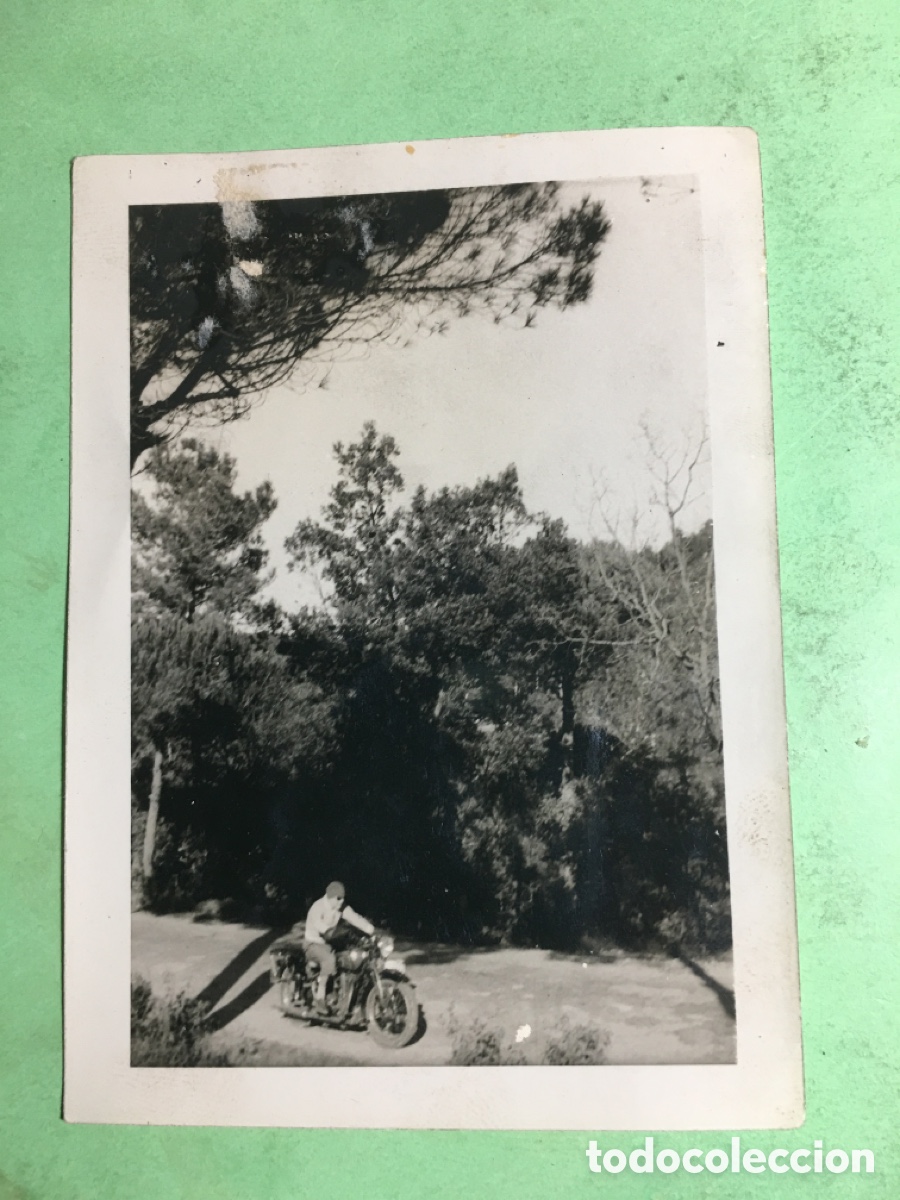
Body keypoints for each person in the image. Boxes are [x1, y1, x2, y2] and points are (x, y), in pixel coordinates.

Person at [304, 881, 374, 1011]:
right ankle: (320, 998)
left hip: (331, 942)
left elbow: (354, 918)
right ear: (330, 896)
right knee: (329, 959)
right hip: (313, 943)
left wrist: (371, 930)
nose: (341, 901)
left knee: (350, 957)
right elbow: (324, 930)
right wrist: (341, 933)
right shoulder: (317, 907)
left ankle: (346, 995)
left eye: (343, 898)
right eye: (338, 898)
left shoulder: (340, 907)